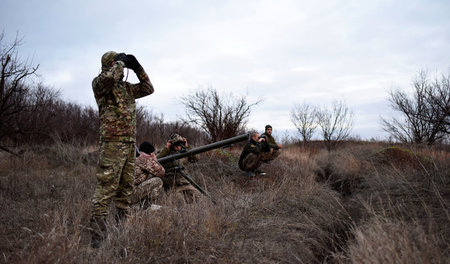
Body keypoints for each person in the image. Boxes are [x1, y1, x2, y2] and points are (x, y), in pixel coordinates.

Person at [90, 51, 154, 248]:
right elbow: (109, 77)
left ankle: (121, 231)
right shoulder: (100, 84)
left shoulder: (126, 88)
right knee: (106, 188)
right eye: (117, 64)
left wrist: (137, 67)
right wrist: (119, 62)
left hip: (128, 144)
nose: (121, 67)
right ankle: (98, 239)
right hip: (111, 144)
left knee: (125, 190)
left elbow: (148, 88)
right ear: (109, 65)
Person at [156, 133, 201, 203]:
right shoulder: (164, 152)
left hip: (185, 183)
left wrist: (187, 147)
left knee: (199, 198)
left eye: (180, 144)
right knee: (179, 202)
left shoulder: (184, 152)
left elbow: (196, 159)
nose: (178, 147)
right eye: (176, 144)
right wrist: (166, 149)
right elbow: (155, 160)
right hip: (172, 186)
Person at [131, 142, 165, 208]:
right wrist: (154, 160)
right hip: (132, 194)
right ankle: (144, 205)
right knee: (158, 181)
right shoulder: (144, 158)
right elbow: (161, 172)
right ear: (150, 153)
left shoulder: (134, 156)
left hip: (124, 194)